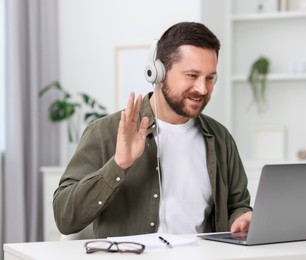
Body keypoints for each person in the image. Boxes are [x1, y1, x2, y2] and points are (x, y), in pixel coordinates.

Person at [53, 21, 252, 238]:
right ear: (158, 72)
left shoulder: (220, 138)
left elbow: (237, 205)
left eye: (210, 78)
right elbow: (64, 218)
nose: (202, 88)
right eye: (192, 76)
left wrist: (241, 218)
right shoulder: (106, 132)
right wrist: (118, 165)